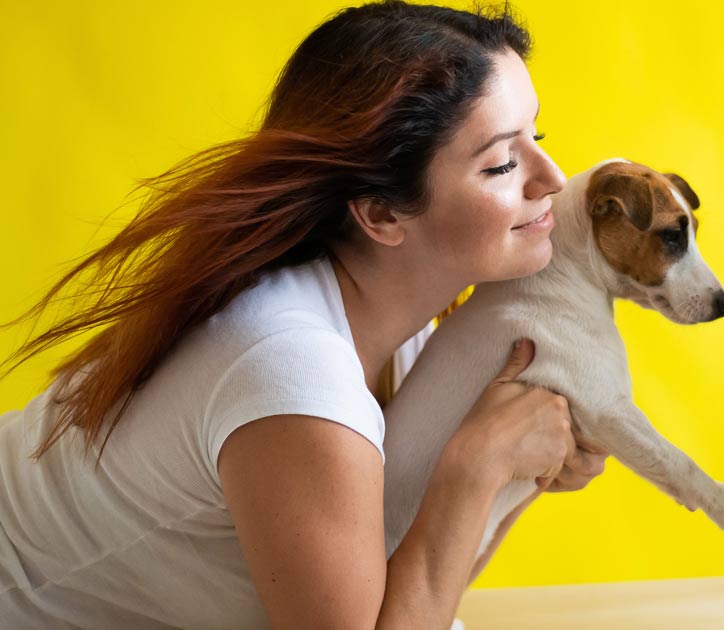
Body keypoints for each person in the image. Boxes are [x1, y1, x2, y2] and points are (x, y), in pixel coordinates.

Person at [0, 2, 609, 628]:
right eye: (502, 163)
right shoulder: (296, 376)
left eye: (538, 137)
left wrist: (515, 476)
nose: (554, 178)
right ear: (379, 213)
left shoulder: (389, 329)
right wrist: (475, 469)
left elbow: (406, 589)